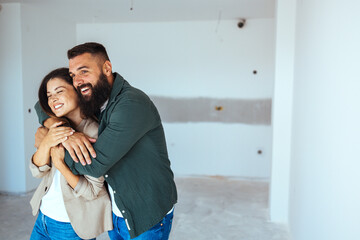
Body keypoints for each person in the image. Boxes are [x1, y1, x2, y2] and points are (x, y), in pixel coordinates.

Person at [35, 42, 178, 239]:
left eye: (84, 71)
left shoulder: (130, 104)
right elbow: (41, 104)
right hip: (116, 211)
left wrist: (54, 144)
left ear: (107, 68)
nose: (78, 80)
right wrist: (60, 129)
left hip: (145, 213)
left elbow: (95, 165)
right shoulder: (93, 99)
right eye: (73, 75)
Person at [30, 68, 113, 240]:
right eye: (49, 95)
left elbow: (91, 191)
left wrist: (60, 164)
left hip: (70, 226)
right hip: (43, 217)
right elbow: (37, 171)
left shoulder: (94, 134)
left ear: (78, 92)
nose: (53, 99)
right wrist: (47, 142)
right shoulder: (55, 127)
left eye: (59, 91)